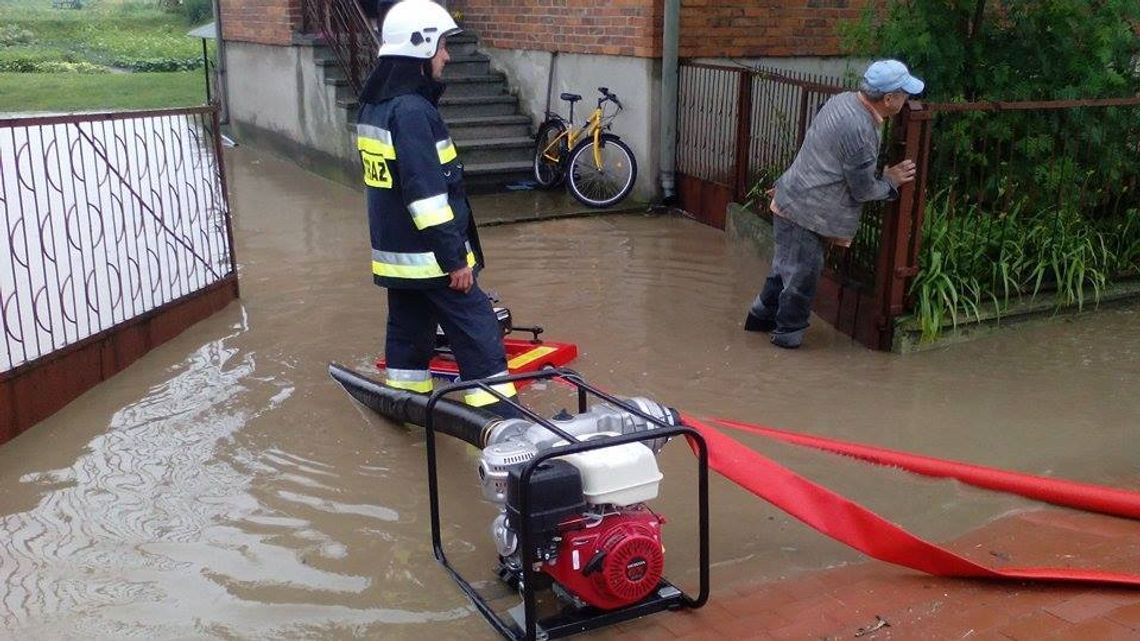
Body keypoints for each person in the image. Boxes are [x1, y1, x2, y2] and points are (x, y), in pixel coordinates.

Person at [355, 0, 519, 416]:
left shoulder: (376, 105)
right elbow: (425, 196)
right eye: (442, 46)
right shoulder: (410, 111)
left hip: (399, 258)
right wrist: (454, 260)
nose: (446, 55)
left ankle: (407, 409)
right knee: (479, 331)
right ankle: (499, 421)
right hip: (433, 258)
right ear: (421, 47)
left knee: (409, 336)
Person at [743, 59, 924, 349]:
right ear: (889, 99)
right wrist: (889, 181)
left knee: (785, 269)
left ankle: (758, 320)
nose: (908, 99)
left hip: (792, 200)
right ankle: (785, 344)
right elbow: (863, 189)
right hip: (806, 213)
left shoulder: (842, 101)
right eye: (905, 93)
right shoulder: (861, 130)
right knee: (802, 279)